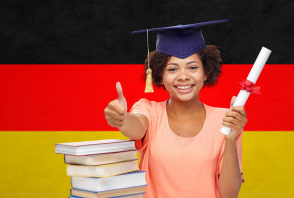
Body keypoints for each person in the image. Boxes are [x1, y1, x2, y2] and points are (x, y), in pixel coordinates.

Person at [104, 20, 247, 198]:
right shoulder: (149, 110)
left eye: (193, 67)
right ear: (160, 76)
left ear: (206, 72)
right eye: (172, 69)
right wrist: (122, 119)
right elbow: (137, 128)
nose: (183, 76)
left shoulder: (226, 120)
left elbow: (229, 194)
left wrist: (231, 139)